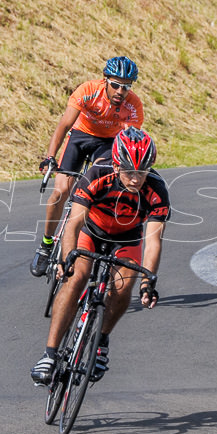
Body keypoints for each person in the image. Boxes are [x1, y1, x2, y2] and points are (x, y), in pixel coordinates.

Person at [30, 127, 169, 386]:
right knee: (76, 278)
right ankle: (49, 355)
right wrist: (67, 259)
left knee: (124, 285)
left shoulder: (157, 189)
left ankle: (101, 340)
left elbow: (153, 241)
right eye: (129, 172)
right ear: (116, 166)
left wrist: (149, 281)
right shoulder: (97, 174)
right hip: (91, 231)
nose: (136, 179)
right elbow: (72, 225)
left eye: (142, 172)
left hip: (127, 238)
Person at [30, 56, 144, 277]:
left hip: (108, 144)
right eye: (116, 84)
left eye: (127, 86)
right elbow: (64, 125)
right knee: (60, 193)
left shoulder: (133, 105)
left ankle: (87, 237)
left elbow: (129, 140)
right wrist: (50, 157)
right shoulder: (88, 91)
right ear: (105, 80)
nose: (121, 91)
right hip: (80, 137)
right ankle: (45, 246)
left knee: (96, 189)